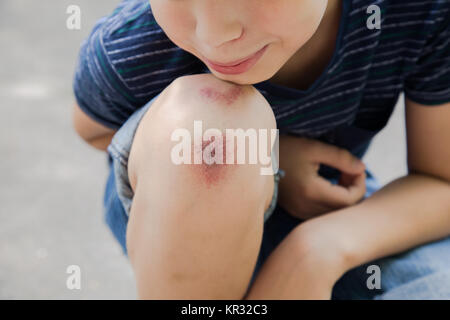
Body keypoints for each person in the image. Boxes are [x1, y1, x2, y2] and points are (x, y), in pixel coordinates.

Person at [72, 0, 450, 299]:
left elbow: (440, 180)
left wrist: (316, 253)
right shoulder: (138, 41)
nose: (214, 34)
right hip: (178, 210)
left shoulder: (419, 11)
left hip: (323, 214)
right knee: (216, 138)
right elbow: (91, 130)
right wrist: (272, 160)